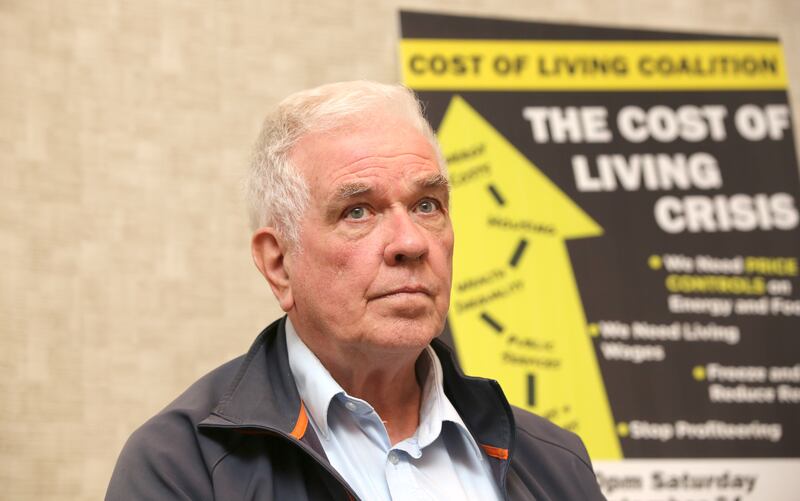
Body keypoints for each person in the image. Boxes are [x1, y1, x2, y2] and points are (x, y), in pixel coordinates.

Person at [106, 81, 606, 500]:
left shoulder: (554, 465)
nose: (410, 243)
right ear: (278, 263)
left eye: (427, 205)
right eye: (358, 211)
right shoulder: (182, 466)